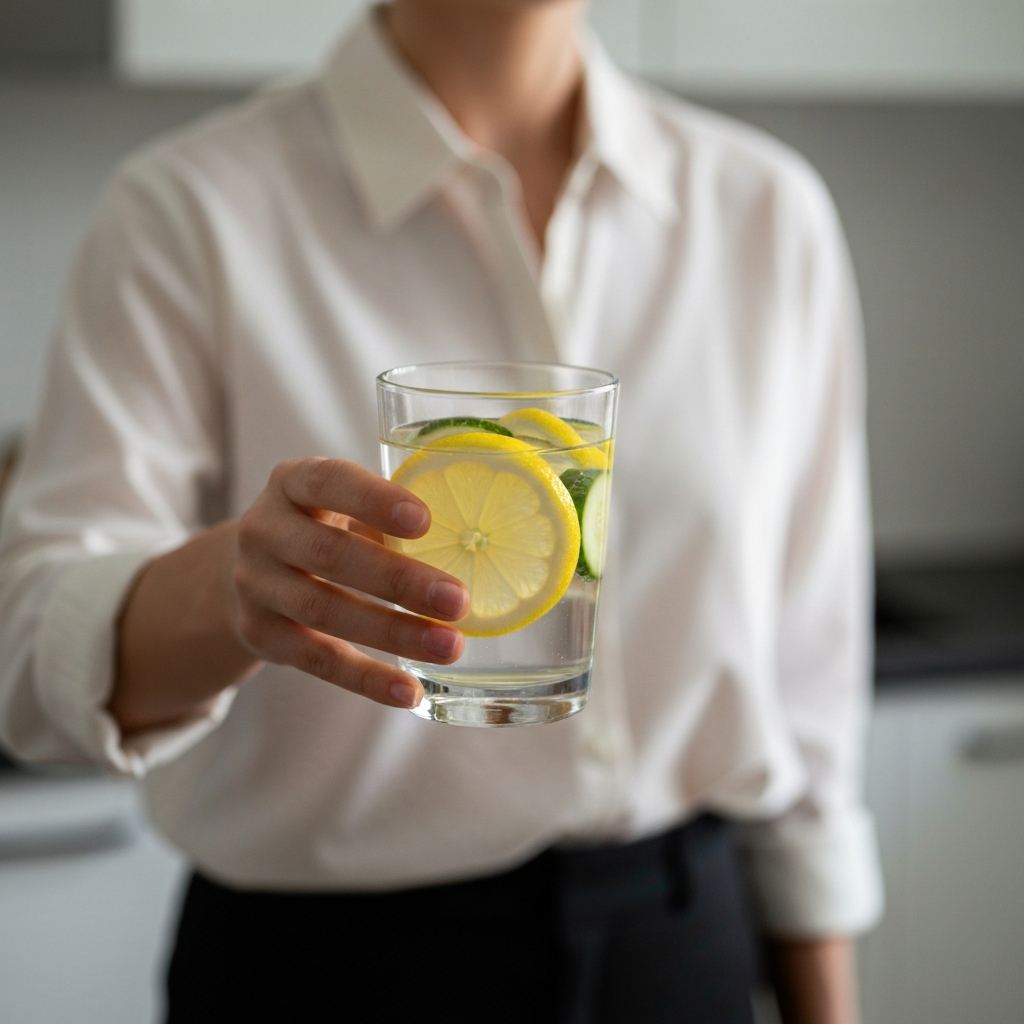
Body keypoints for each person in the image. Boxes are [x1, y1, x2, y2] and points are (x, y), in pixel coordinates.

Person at [0, 0, 883, 1020]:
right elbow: (29, 656)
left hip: (681, 946)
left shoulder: (764, 213)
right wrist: (231, 588)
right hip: (330, 972)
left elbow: (811, 685)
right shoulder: (189, 210)